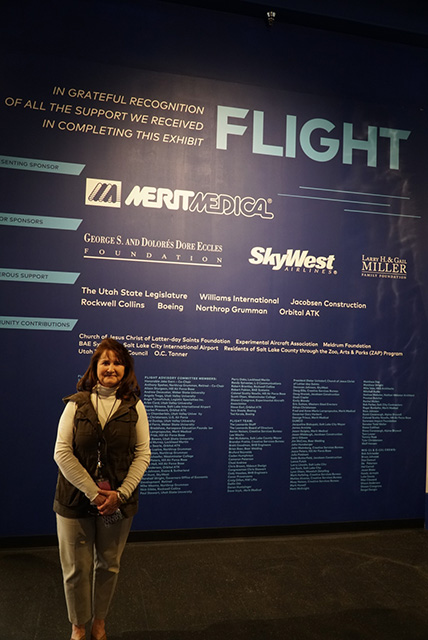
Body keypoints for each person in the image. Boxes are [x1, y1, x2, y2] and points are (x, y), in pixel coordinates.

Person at [53, 338, 151, 640]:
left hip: (117, 502)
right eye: (105, 362)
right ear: (94, 367)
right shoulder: (76, 404)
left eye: (117, 362)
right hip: (75, 500)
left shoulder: (135, 407)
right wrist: (93, 493)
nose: (111, 368)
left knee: (108, 565)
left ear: (126, 369)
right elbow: (62, 453)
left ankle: (99, 622)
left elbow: (143, 454)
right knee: (76, 569)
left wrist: (120, 495)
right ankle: (78, 626)